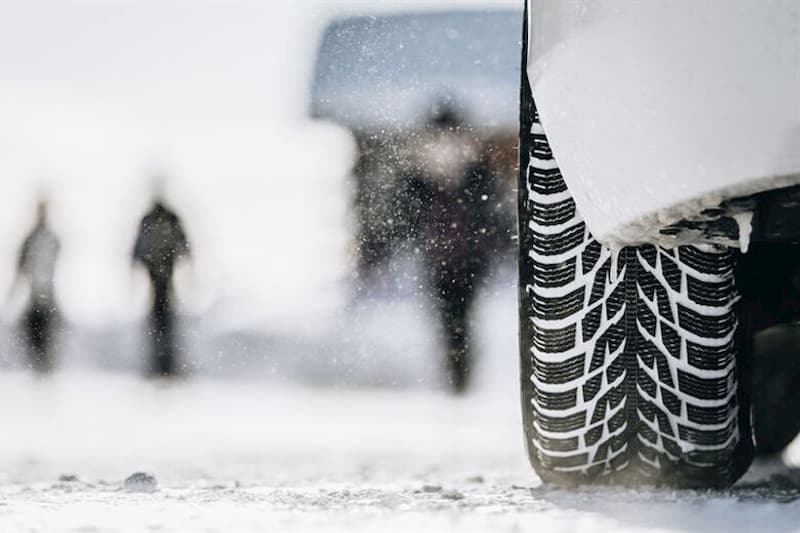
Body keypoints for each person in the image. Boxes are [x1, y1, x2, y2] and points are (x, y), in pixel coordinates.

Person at [406, 101, 499, 393]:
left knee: (462, 321)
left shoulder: (476, 176)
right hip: (441, 262)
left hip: (468, 262)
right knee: (448, 321)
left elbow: (493, 217)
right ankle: (454, 376)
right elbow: (406, 216)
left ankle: (461, 377)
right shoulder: (420, 179)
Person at [132, 192, 190, 377]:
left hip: (161, 277)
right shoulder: (161, 219)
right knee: (162, 321)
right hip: (160, 277)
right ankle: (163, 364)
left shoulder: (155, 219)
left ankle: (163, 364)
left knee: (162, 321)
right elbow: (184, 246)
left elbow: (137, 250)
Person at [16, 200, 61, 373]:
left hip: (48, 294)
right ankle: (36, 363)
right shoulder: (31, 238)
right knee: (32, 329)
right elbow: (21, 265)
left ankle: (46, 363)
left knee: (48, 330)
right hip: (34, 294)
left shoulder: (51, 238)